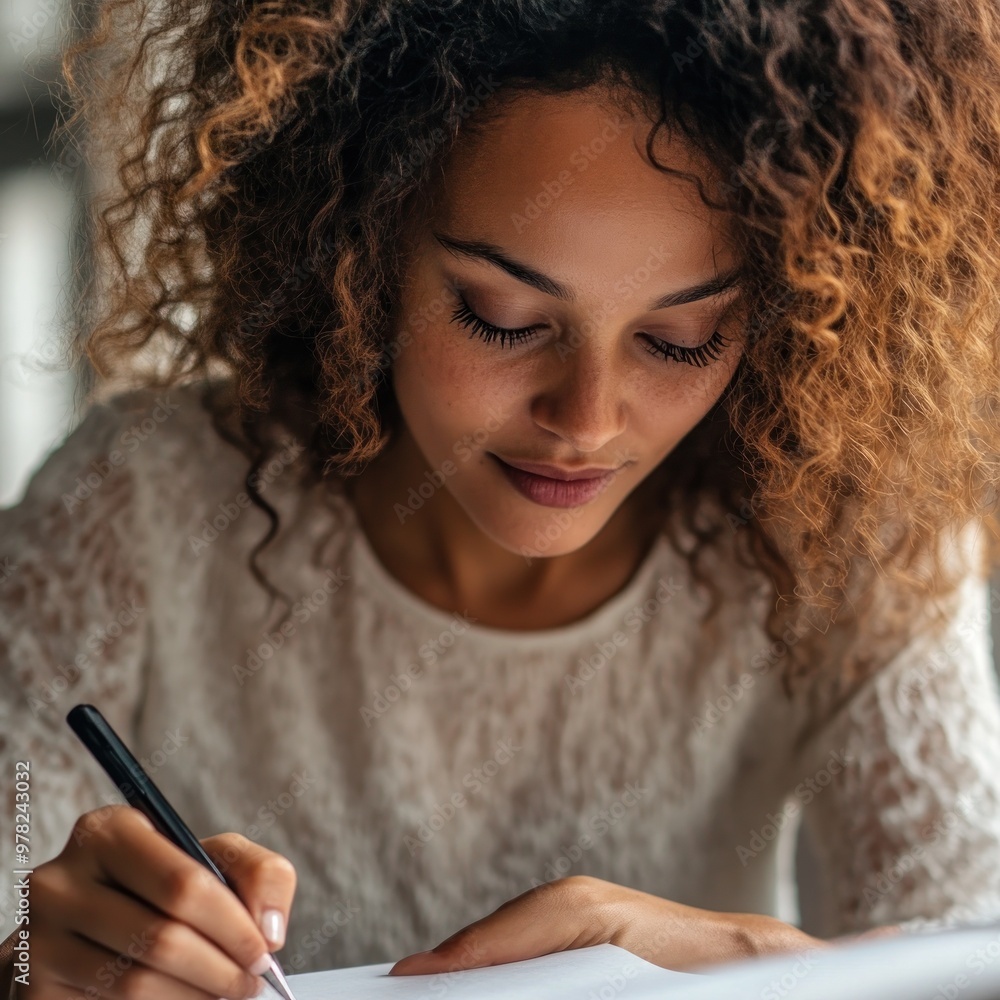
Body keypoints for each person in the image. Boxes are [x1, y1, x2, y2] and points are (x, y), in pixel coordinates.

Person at [3, 0, 1000, 995]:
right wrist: (29, 972)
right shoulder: (137, 503)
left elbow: (971, 944)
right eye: (501, 317)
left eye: (681, 337)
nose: (587, 418)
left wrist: (758, 960)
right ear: (363, 243)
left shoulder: (850, 526)